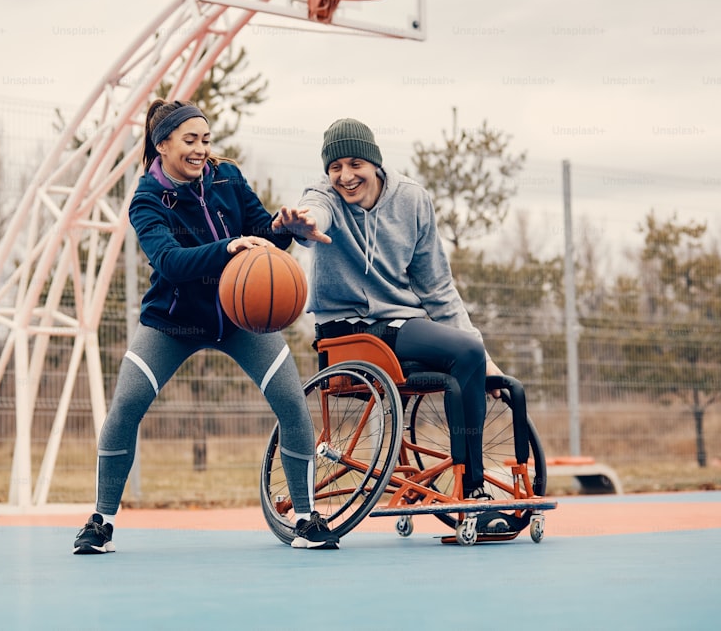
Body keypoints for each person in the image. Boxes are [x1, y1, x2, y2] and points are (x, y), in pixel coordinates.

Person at [73, 100, 338, 553]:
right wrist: (228, 247)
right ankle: (101, 521)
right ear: (162, 144)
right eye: (190, 140)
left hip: (241, 319)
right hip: (173, 322)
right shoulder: (147, 199)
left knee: (293, 403)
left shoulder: (227, 177)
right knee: (126, 406)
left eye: (206, 140)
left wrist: (284, 226)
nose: (201, 150)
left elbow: (261, 233)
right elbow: (171, 263)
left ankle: (306, 518)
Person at [271, 117, 505, 503]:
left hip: (398, 325)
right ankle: (474, 490)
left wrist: (485, 358)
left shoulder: (412, 199)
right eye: (335, 167)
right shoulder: (323, 195)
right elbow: (315, 210)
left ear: (375, 163)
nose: (345, 176)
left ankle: (468, 478)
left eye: (354, 164)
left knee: (467, 357)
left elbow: (438, 287)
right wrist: (303, 223)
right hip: (346, 331)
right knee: (464, 351)